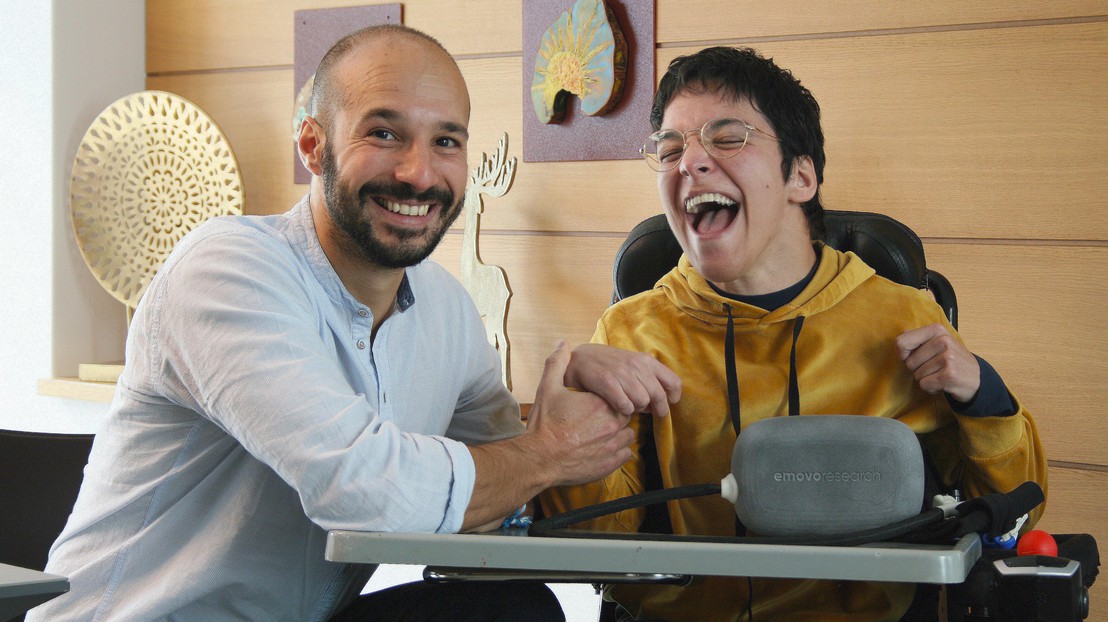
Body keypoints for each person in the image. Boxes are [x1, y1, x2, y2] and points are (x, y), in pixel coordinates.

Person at [30, 25, 676, 622]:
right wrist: (548, 453)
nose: (418, 172)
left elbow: (501, 493)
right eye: (384, 133)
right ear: (314, 145)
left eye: (445, 141)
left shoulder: (446, 309)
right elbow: (360, 486)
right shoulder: (226, 269)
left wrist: (570, 383)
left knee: (514, 610)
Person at [542, 46, 1048, 622]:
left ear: (800, 176)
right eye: (671, 148)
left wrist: (984, 395)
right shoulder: (631, 330)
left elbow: (1017, 518)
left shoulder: (903, 320)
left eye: (727, 138)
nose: (689, 163)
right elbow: (591, 544)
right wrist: (566, 417)